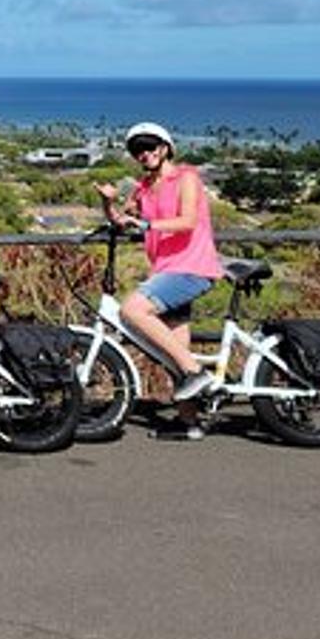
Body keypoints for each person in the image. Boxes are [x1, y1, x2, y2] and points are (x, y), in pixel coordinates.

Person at [97, 121, 224, 429]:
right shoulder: (143, 187)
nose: (144, 154)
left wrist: (149, 226)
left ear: (165, 149)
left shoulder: (187, 177)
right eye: (138, 150)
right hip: (167, 270)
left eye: (150, 147)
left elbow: (189, 220)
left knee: (132, 310)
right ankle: (189, 422)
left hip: (191, 267)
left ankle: (197, 374)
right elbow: (121, 222)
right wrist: (108, 202)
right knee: (174, 352)